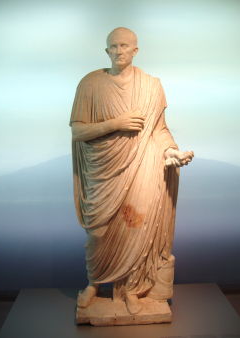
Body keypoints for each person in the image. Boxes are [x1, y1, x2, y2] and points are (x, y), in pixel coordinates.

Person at [69, 27, 194, 315]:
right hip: (103, 172)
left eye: (125, 46)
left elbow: (159, 130)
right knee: (98, 232)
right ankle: (93, 284)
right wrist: (117, 123)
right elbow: (78, 131)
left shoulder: (151, 86)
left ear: (135, 50)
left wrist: (171, 151)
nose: (119, 50)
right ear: (107, 51)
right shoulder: (89, 84)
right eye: (114, 46)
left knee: (134, 227)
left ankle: (130, 289)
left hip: (141, 169)